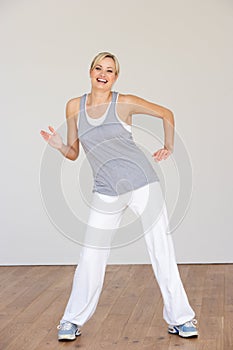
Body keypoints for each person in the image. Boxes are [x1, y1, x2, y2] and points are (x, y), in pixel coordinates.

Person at [40, 52, 198, 341]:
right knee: (91, 255)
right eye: (99, 68)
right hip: (105, 190)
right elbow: (75, 153)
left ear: (115, 77)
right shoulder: (74, 106)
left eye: (110, 70)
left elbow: (166, 113)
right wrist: (59, 145)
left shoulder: (123, 102)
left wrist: (169, 146)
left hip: (141, 183)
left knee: (161, 249)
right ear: (90, 71)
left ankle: (182, 318)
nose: (103, 73)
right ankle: (71, 320)